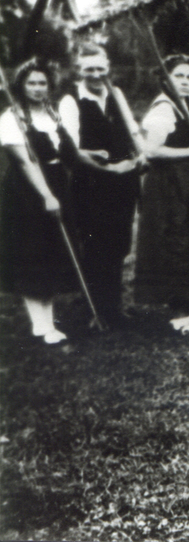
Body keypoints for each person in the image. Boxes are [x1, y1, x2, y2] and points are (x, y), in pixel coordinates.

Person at [58, 43, 142, 329]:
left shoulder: (116, 94)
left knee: (119, 243)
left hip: (124, 180)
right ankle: (96, 310)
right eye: (88, 69)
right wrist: (108, 168)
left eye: (100, 68)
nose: (95, 74)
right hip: (91, 182)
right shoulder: (71, 100)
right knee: (96, 244)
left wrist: (140, 156)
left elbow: (133, 130)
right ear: (78, 71)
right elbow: (71, 150)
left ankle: (114, 307)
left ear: (108, 68)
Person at [133, 55, 189, 335]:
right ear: (166, 79)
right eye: (179, 76)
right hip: (168, 184)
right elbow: (152, 150)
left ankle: (188, 308)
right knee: (176, 243)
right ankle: (179, 313)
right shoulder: (163, 108)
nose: (186, 82)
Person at [0, 60, 77, 344]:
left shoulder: (52, 114)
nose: (37, 89)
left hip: (56, 181)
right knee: (33, 253)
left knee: (52, 250)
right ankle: (40, 325)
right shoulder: (12, 118)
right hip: (27, 190)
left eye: (42, 83)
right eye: (31, 83)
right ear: (20, 86)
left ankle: (49, 319)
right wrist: (46, 195)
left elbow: (67, 154)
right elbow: (25, 162)